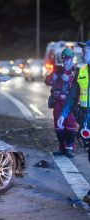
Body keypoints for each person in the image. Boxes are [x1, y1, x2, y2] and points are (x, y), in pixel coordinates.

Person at [57, 40, 90, 203]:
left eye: (85, 50)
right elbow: (72, 96)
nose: (82, 53)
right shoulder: (82, 71)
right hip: (85, 119)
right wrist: (64, 113)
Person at [45, 48, 77, 158]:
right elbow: (47, 81)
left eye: (68, 58)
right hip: (57, 102)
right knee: (59, 127)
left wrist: (69, 79)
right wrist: (51, 78)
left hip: (69, 104)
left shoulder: (76, 71)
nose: (65, 60)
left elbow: (80, 85)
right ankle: (61, 148)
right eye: (64, 58)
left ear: (72, 59)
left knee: (70, 126)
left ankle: (69, 148)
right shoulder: (57, 70)